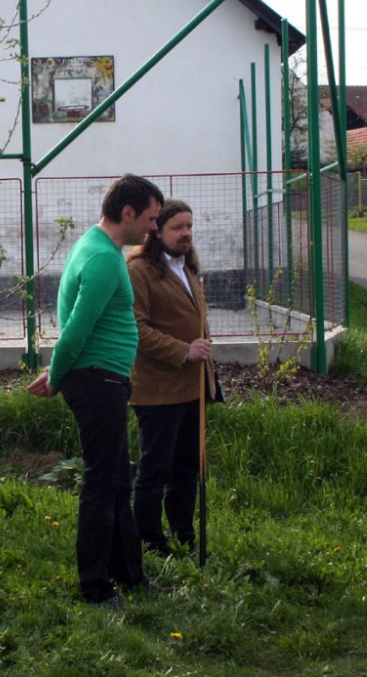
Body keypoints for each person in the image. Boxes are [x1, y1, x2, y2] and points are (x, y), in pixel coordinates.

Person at [27, 173, 164, 609]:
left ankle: (128, 573)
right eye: (150, 218)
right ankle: (95, 587)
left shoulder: (95, 244)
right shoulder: (105, 259)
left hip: (103, 378)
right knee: (102, 483)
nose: (153, 228)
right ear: (128, 213)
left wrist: (60, 373)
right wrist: (55, 374)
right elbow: (75, 329)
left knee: (118, 479)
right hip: (97, 379)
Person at [127, 199, 216, 556]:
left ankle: (183, 532)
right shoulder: (139, 271)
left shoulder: (188, 266)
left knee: (187, 468)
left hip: (192, 387)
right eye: (178, 227)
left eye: (190, 226)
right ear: (156, 230)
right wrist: (183, 350)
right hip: (157, 389)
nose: (186, 234)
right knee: (155, 469)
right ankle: (148, 540)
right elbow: (136, 328)